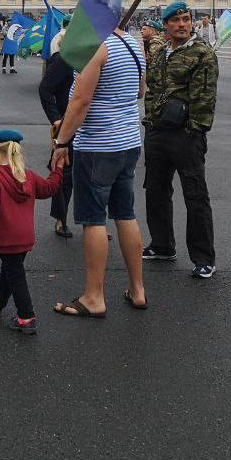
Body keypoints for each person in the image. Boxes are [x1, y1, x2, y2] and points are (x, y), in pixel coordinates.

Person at [50, 24, 147, 318]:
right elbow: (140, 91)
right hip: (128, 141)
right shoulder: (132, 43)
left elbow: (80, 101)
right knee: (125, 214)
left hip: (99, 144)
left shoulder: (96, 46)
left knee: (93, 220)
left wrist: (62, 141)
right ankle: (137, 289)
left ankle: (94, 296)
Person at [142, 1, 220, 279]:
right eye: (176, 21)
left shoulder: (202, 54)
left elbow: (205, 97)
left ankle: (203, 257)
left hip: (186, 134)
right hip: (157, 131)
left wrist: (196, 130)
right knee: (156, 190)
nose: (182, 24)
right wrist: (150, 120)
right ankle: (162, 245)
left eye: (186, 19)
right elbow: (152, 87)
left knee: (195, 194)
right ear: (166, 25)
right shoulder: (162, 52)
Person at [0, 129, 61, 335]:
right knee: (10, 270)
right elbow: (49, 188)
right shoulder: (28, 176)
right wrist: (57, 169)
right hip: (25, 237)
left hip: (7, 237)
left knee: (15, 274)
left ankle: (26, 316)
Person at [38, 27, 76, 238]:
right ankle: (61, 219)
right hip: (67, 124)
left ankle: (93, 221)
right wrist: (56, 119)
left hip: (89, 125)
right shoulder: (64, 60)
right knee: (65, 173)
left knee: (91, 174)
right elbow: (45, 89)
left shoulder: (95, 59)